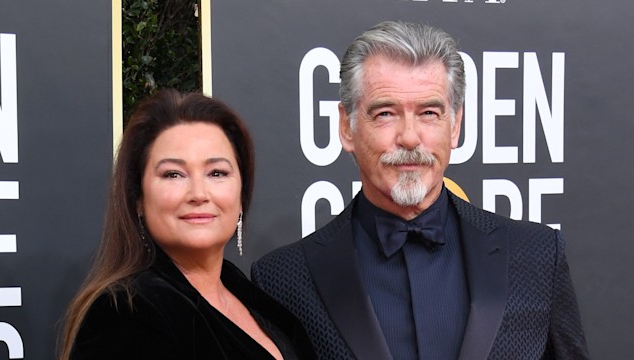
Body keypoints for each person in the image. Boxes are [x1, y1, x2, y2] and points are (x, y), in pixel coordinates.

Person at [251, 21, 589, 360]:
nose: (410, 137)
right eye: (385, 113)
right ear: (346, 127)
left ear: (455, 126)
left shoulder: (538, 258)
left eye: (429, 113)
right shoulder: (283, 280)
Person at [58, 89, 315, 360]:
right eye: (173, 174)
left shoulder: (254, 300)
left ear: (241, 194)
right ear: (138, 200)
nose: (198, 194)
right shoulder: (122, 312)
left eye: (217, 173)